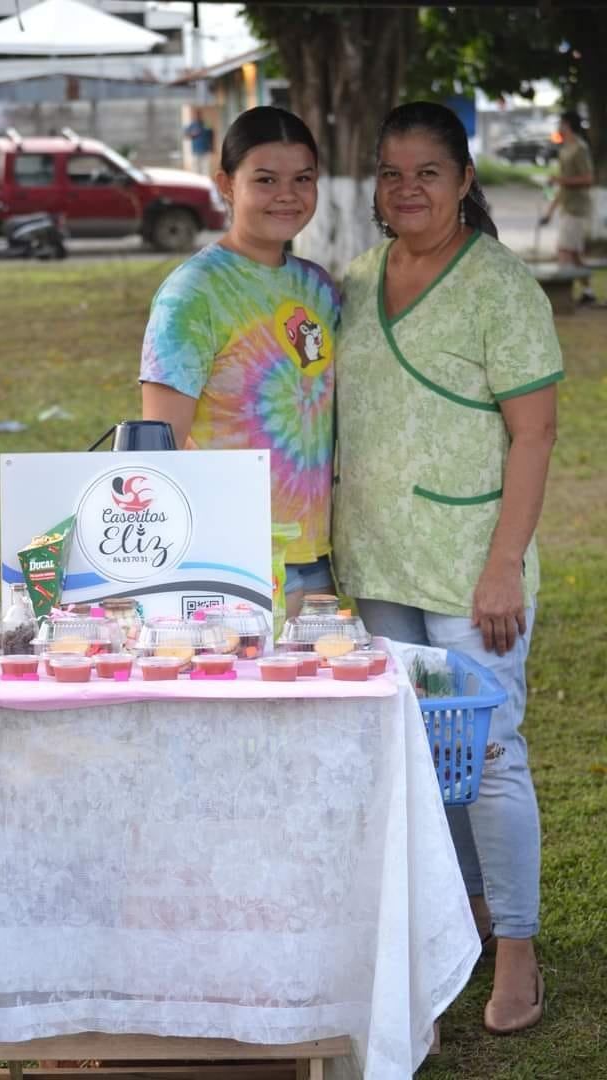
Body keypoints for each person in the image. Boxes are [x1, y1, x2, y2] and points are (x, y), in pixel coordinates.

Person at [333, 101, 564, 1036]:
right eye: (391, 173)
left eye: (428, 170)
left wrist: (505, 565)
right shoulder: (351, 279)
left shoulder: (502, 288)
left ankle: (517, 944)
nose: (408, 189)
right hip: (379, 562)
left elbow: (536, 433)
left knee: (491, 752)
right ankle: (456, 918)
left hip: (474, 570)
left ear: (466, 180)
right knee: (423, 760)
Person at [141, 105, 339, 617]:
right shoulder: (192, 293)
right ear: (226, 184)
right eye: (266, 179)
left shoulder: (318, 286)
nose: (287, 195)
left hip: (317, 554)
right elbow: (159, 447)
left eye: (303, 179)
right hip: (234, 560)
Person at [540, 110, 596, 304]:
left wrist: (558, 179)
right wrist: (549, 211)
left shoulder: (580, 148)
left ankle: (562, 298)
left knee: (564, 251)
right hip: (567, 207)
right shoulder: (565, 149)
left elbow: (588, 178)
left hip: (577, 208)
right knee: (574, 254)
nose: (558, 127)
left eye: (560, 123)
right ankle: (588, 291)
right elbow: (563, 185)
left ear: (567, 124)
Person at [183, 108, 214, 175]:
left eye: (199, 114)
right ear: (194, 116)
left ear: (201, 115)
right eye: (196, 115)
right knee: (196, 168)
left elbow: (211, 135)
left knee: (205, 169)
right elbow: (185, 135)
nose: (198, 116)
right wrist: (193, 134)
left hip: (205, 150)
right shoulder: (192, 125)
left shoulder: (205, 124)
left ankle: (205, 183)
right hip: (196, 150)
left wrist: (212, 148)